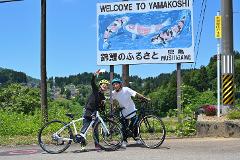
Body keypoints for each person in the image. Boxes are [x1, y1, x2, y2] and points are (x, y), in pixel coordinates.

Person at [111, 78, 150, 148]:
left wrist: (144, 98)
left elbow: (135, 94)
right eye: (113, 85)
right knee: (124, 128)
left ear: (120, 84)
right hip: (123, 111)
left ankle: (136, 137)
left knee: (135, 125)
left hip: (131, 109)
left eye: (116, 84)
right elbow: (113, 101)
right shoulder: (113, 93)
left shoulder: (126, 89)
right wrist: (114, 107)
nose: (115, 86)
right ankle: (124, 141)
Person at [79, 69, 109, 150]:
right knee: (85, 128)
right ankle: (82, 145)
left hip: (95, 113)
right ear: (100, 85)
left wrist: (103, 105)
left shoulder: (103, 97)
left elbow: (101, 109)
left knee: (95, 129)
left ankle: (97, 145)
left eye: (106, 85)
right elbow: (92, 82)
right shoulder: (96, 90)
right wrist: (94, 75)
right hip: (88, 110)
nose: (105, 86)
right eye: (103, 84)